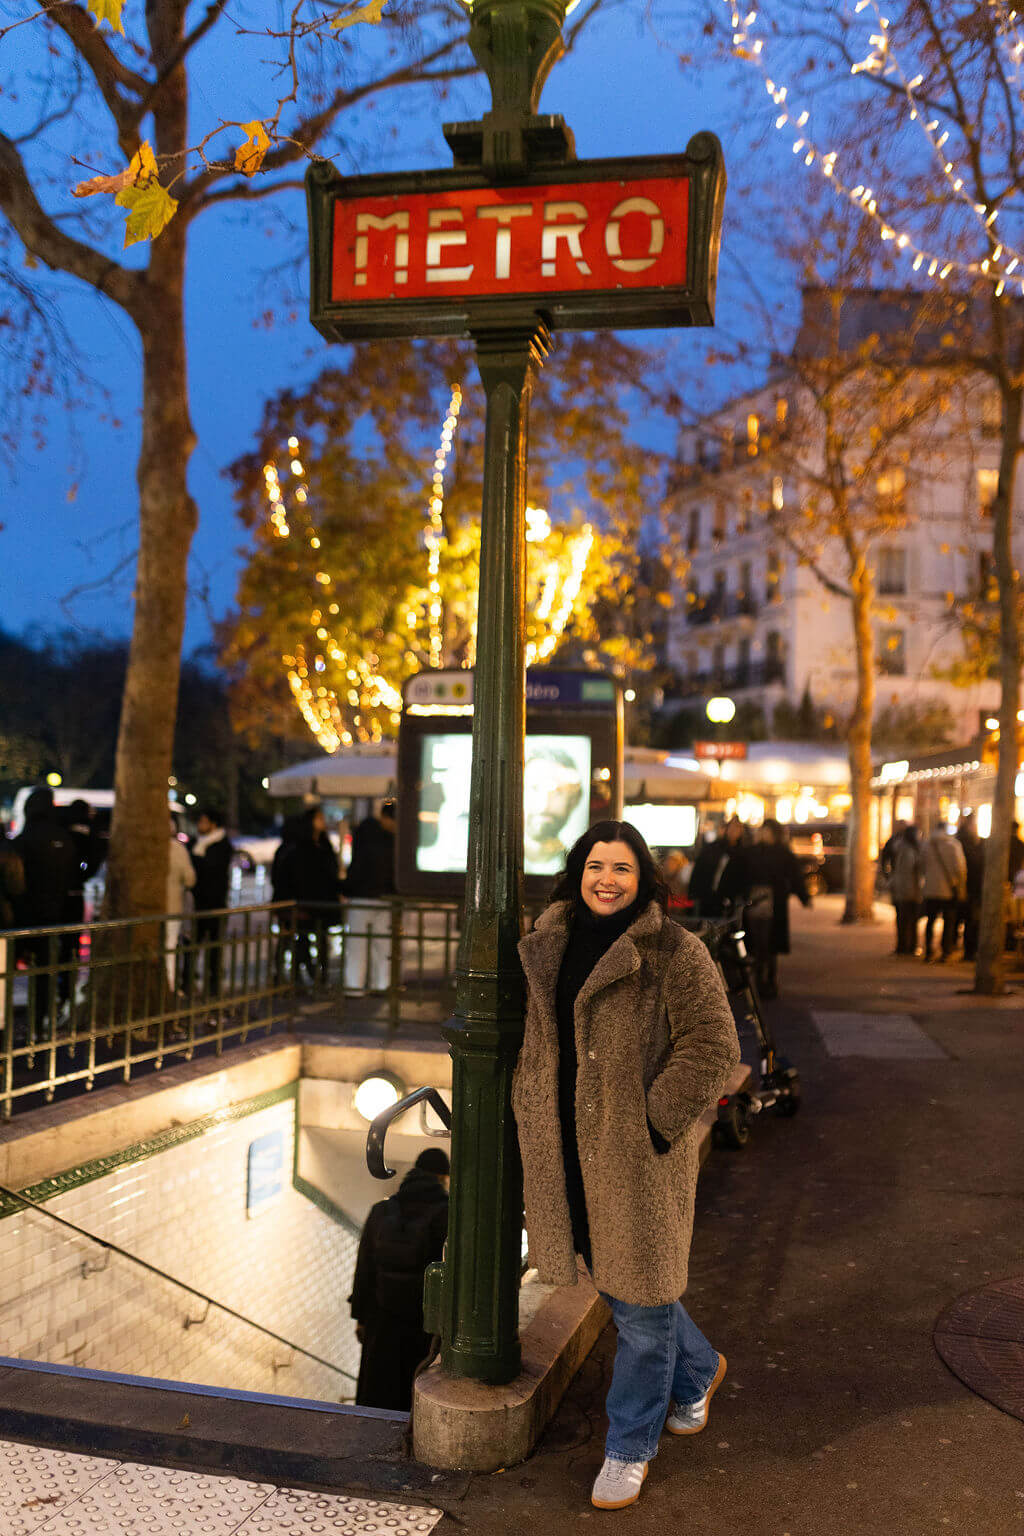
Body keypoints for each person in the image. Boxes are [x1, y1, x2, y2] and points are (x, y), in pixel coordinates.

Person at [513, 820, 740, 1511]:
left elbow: (714, 1043)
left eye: (621, 869)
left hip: (632, 1156)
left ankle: (628, 1447)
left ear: (643, 878)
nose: (606, 880)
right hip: (565, 1150)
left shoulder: (674, 950)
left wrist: (653, 1119)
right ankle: (698, 1370)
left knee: (639, 1308)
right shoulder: (548, 941)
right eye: (595, 866)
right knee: (621, 1280)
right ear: (577, 872)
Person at [348, 1146, 450, 1411]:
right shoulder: (448, 1215)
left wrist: (360, 1317)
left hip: (381, 1317)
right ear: (443, 1178)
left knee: (377, 1385)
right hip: (422, 1321)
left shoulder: (380, 1212)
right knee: (412, 1387)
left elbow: (364, 1269)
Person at [12, 787, 80, 1035]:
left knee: (12, 970)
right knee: (44, 972)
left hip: (26, 914)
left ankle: (19, 1024)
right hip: (56, 912)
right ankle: (39, 1022)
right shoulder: (63, 838)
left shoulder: (25, 838)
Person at [745, 818, 811, 999]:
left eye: (767, 831)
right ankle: (761, 979)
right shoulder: (752, 852)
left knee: (769, 943)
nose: (763, 834)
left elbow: (795, 875)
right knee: (759, 942)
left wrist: (803, 896)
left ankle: (768, 979)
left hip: (773, 902)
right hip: (755, 901)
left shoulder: (781, 853)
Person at [343, 800, 396, 992]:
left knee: (358, 944)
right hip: (382, 897)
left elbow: (357, 867)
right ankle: (380, 984)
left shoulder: (365, 834)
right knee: (381, 946)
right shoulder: (390, 840)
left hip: (363, 895)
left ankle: (354, 985)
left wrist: (347, 888)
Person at [58, 799, 105, 1006]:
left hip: (58, 896)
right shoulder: (89, 836)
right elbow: (92, 862)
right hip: (75, 895)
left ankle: (61, 991)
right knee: (71, 948)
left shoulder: (63, 833)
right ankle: (66, 993)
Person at [289, 806, 342, 984]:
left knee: (322, 940)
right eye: (319, 818)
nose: (322, 822)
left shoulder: (324, 844)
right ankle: (305, 973)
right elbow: (300, 875)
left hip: (324, 901)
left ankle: (321, 975)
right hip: (307, 900)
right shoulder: (301, 846)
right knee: (303, 939)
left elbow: (331, 871)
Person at [189, 807, 233, 997]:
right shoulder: (195, 843)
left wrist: (197, 860)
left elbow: (210, 868)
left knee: (215, 948)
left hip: (215, 903)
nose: (200, 825)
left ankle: (213, 985)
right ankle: (189, 982)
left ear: (213, 824)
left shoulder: (222, 845)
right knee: (192, 945)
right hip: (197, 903)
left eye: (204, 822)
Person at [523, 745, 586, 874]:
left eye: (558, 792)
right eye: (535, 789)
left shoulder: (577, 867)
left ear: (574, 800)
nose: (544, 804)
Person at [687, 817, 751, 917]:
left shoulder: (742, 854)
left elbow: (743, 879)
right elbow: (699, 872)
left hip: (727, 901)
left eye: (738, 828)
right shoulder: (712, 849)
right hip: (707, 898)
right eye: (732, 827)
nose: (734, 831)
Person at [921, 821, 967, 962]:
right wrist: (960, 886)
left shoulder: (927, 845)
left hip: (930, 889)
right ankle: (946, 951)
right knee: (949, 922)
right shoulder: (953, 845)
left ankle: (929, 951)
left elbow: (921, 865)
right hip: (948, 890)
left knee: (930, 921)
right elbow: (960, 868)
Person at [165, 814, 196, 990]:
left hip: (148, 909)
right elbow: (190, 879)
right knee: (169, 948)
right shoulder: (178, 849)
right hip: (172, 907)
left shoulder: (147, 848)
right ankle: (169, 986)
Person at [888, 823, 924, 956]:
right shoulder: (909, 851)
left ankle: (903, 946)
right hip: (909, 890)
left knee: (902, 919)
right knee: (910, 920)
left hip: (901, 890)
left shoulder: (900, 848)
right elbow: (909, 872)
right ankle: (909, 946)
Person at [955, 811, 985, 963]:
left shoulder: (965, 840)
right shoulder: (968, 842)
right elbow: (972, 864)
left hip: (968, 886)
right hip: (969, 887)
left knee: (967, 920)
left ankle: (963, 949)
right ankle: (968, 951)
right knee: (970, 920)